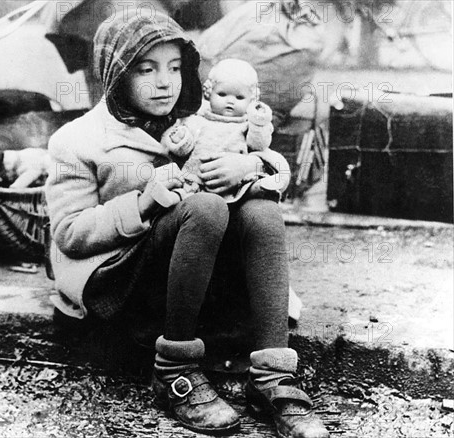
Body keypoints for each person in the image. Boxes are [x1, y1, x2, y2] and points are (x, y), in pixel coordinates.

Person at [45, 12, 329, 438]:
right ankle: (173, 368)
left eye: (175, 68)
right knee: (207, 208)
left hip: (193, 277)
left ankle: (272, 374)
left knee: (261, 208)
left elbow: (261, 155)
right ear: (114, 73)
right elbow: (69, 234)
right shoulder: (78, 139)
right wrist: (142, 202)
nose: (165, 82)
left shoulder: (200, 117)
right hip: (124, 283)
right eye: (146, 69)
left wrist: (249, 162)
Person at [152, 57, 282, 206]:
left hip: (233, 184)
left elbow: (259, 145)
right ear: (209, 93)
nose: (230, 101)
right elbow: (183, 151)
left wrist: (259, 123)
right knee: (184, 194)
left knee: (248, 200)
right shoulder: (197, 119)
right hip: (196, 179)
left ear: (251, 100)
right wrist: (180, 139)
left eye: (239, 97)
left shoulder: (248, 125)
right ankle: (168, 199)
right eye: (222, 94)